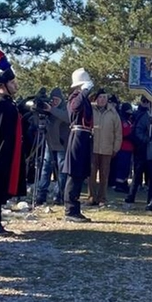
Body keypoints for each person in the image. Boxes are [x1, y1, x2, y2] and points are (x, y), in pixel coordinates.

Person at [0, 44, 26, 233]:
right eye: (12, 82)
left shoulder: (6, 104)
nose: (15, 85)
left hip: (6, 155)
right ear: (2, 85)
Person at [64, 68, 96, 221]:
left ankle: (75, 207)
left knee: (81, 173)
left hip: (84, 136)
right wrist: (83, 92)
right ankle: (70, 209)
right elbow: (75, 108)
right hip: (77, 135)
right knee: (74, 172)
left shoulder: (84, 98)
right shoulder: (75, 97)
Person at [33, 88, 69, 206]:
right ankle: (41, 194)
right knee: (45, 169)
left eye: (57, 100)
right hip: (50, 143)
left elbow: (67, 117)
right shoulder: (48, 107)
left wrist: (51, 109)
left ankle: (58, 195)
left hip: (62, 144)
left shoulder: (65, 108)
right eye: (52, 99)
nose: (54, 102)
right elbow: (37, 121)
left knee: (61, 171)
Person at [88, 89, 123, 206]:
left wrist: (116, 148)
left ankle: (102, 198)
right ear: (96, 99)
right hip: (92, 148)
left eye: (104, 97)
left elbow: (118, 132)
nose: (102, 100)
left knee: (104, 175)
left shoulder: (113, 113)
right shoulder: (90, 110)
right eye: (100, 97)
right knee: (91, 174)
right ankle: (91, 197)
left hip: (107, 148)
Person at [124, 96, 151, 204]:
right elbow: (137, 131)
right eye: (144, 101)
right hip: (140, 147)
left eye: (148, 102)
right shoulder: (137, 114)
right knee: (137, 173)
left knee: (151, 173)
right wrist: (145, 140)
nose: (146, 103)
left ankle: (150, 197)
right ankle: (132, 195)